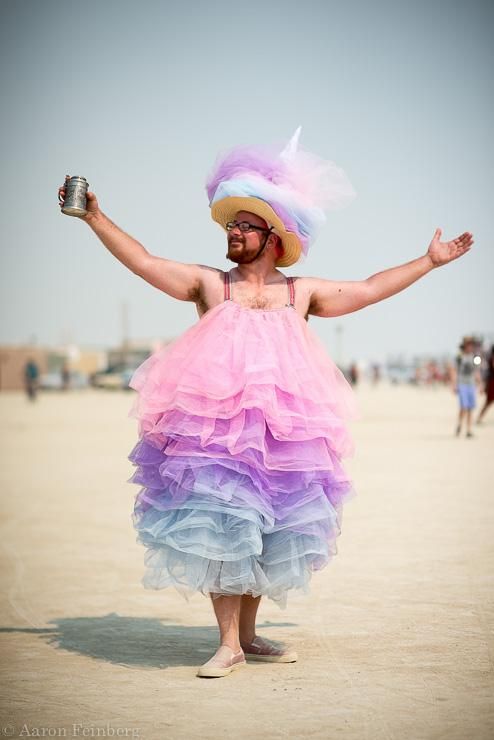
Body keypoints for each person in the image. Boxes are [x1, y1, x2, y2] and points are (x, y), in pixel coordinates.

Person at [58, 131, 473, 678]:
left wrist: (429, 261)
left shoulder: (302, 292)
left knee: (269, 530)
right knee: (220, 526)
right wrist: (95, 218)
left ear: (272, 237)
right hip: (216, 434)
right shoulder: (211, 285)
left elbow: (371, 287)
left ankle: (249, 637)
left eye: (244, 225)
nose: (232, 231)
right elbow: (142, 260)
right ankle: (227, 642)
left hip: (282, 437)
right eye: (230, 224)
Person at [452, 337, 481, 437]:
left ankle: (468, 430)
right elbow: (455, 371)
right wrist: (454, 384)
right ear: (464, 346)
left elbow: (477, 371)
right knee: (463, 407)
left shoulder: (475, 357)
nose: (470, 347)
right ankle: (459, 424)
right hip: (462, 384)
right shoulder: (459, 357)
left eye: (471, 345)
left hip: (471, 385)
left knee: (470, 408)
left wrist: (480, 384)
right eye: (468, 345)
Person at [476, 344, 494, 424]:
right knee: (488, 402)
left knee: (488, 402)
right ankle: (479, 418)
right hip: (492, 382)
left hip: (491, 382)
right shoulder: (492, 358)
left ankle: (479, 417)